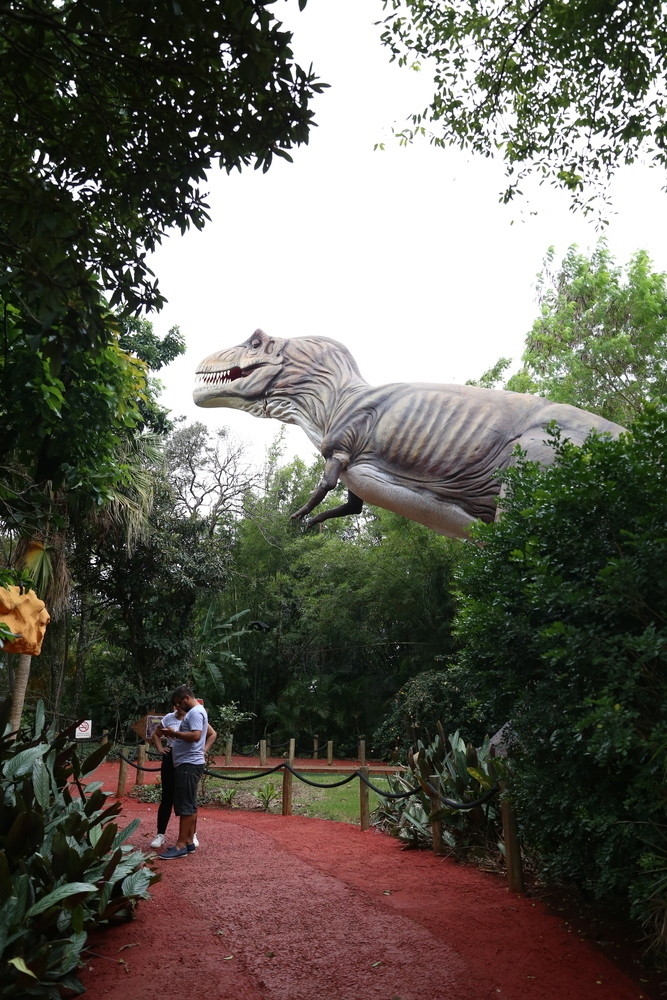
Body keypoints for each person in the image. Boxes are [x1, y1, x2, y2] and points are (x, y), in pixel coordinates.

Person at [150, 698, 217, 850]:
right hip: (172, 757)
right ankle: (161, 833)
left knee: (188, 799)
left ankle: (189, 836)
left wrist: (203, 750)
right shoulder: (169, 718)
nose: (179, 707)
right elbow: (156, 734)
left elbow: (209, 734)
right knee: (167, 796)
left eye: (180, 704)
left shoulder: (194, 715)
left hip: (188, 760)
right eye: (176, 705)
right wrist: (161, 749)